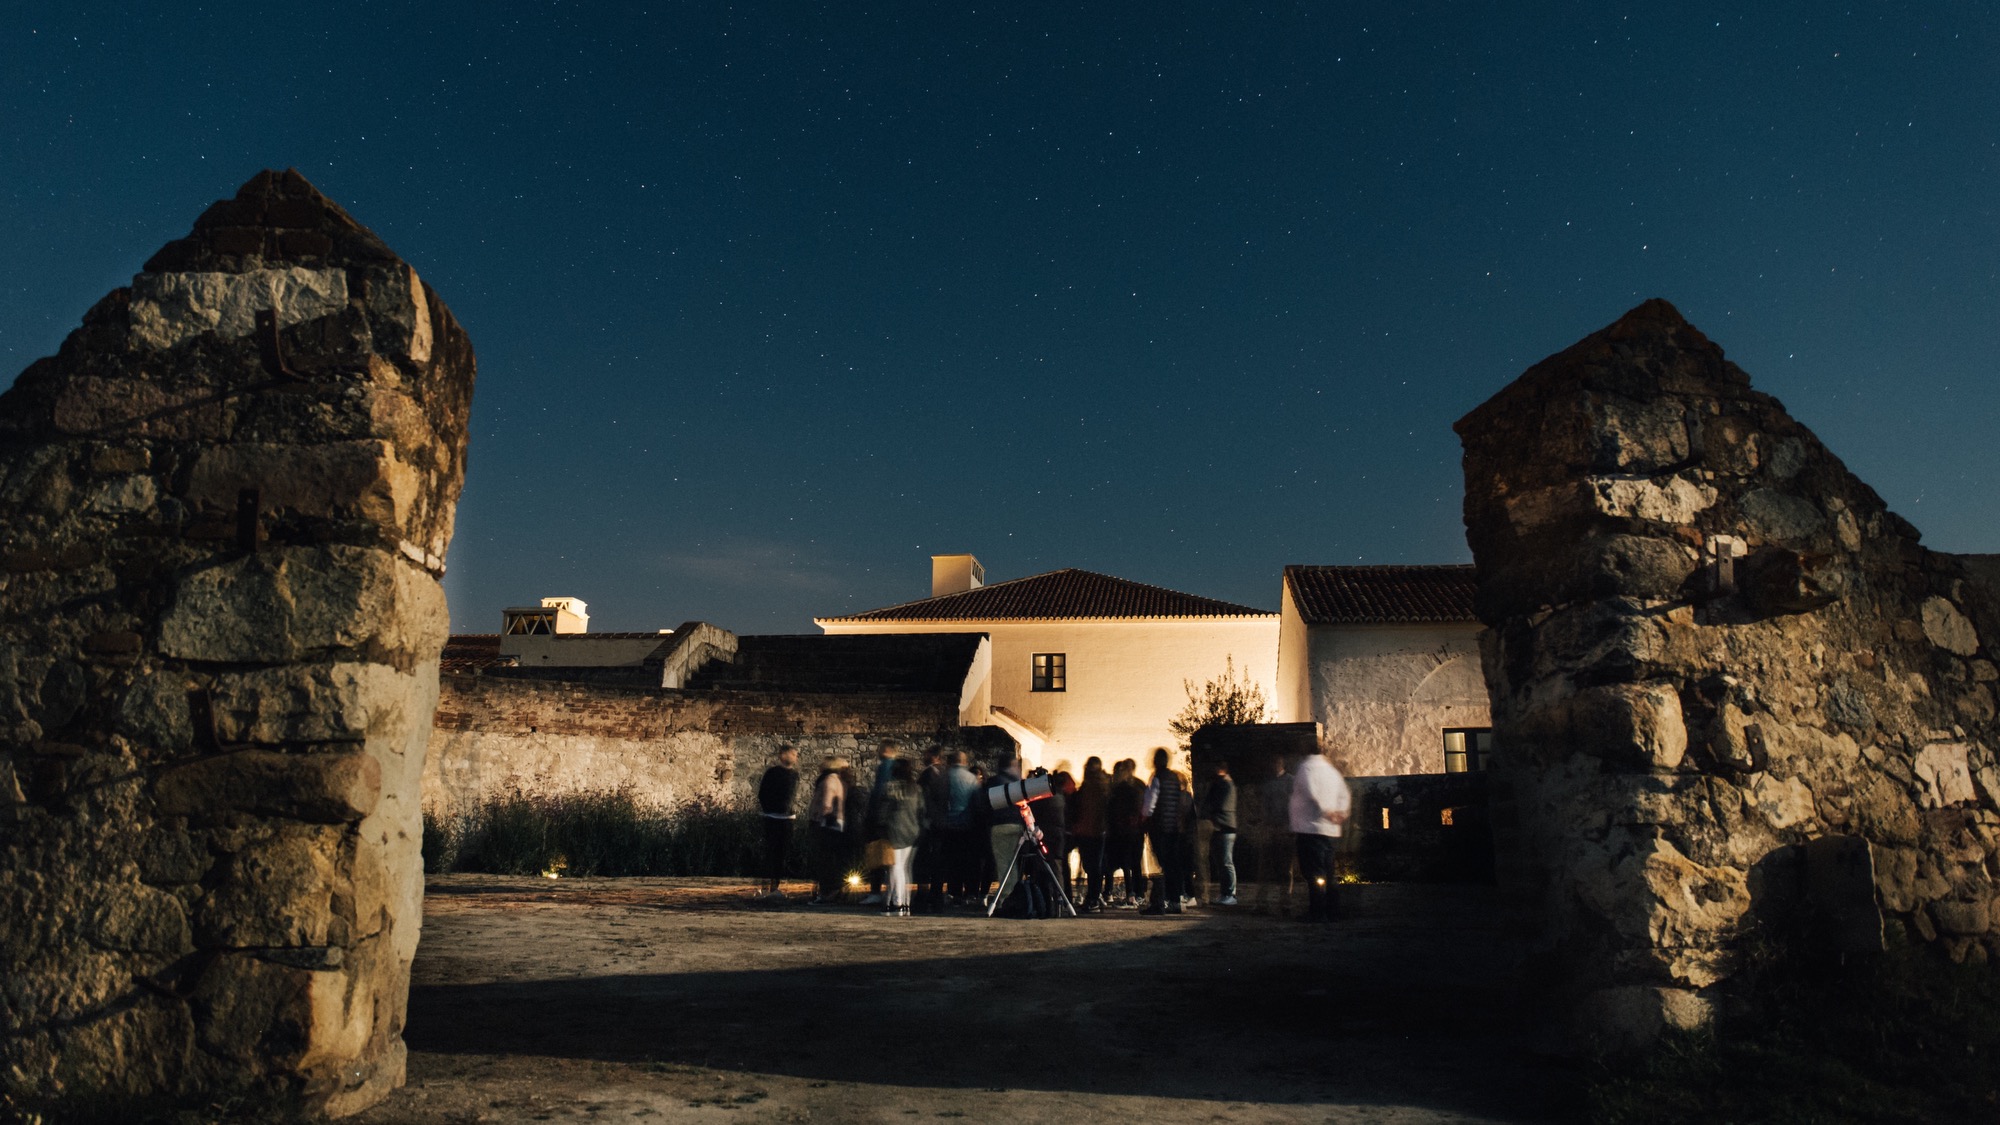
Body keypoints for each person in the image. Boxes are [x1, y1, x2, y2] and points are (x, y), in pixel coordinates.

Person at [1289, 744, 1352, 924]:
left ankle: (1317, 911)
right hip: (1330, 829)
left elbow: (1311, 791)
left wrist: (1327, 811)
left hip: (1310, 828)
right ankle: (1333, 910)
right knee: (1329, 871)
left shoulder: (1306, 768)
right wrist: (1341, 812)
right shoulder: (1332, 771)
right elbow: (1344, 794)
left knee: (1314, 872)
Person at [1140, 748, 1192, 915]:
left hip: (1160, 827)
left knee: (1163, 865)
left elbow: (1149, 805)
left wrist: (1145, 818)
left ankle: (1160, 902)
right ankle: (1175, 901)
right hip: (1174, 828)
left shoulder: (1158, 778)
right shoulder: (1174, 778)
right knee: (1173, 865)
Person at [1250, 756, 1296, 916]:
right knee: (1269, 868)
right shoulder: (1277, 782)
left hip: (1282, 828)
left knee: (1282, 869)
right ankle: (1267, 903)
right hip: (1275, 828)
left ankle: (1283, 903)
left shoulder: (1288, 781)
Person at [878, 757, 923, 916]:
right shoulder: (915, 788)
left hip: (893, 830)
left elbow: (882, 812)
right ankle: (903, 901)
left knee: (894, 867)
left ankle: (896, 902)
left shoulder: (889, 787)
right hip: (912, 830)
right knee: (904, 867)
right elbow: (921, 810)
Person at [985, 755, 1028, 914]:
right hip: (1017, 825)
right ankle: (1013, 894)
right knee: (1013, 864)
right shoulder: (1018, 784)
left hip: (1000, 826)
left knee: (1004, 864)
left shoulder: (994, 782)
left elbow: (986, 805)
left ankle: (1006, 897)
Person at [755, 745, 799, 899]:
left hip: (786, 819)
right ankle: (765, 888)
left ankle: (776, 887)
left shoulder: (794, 775)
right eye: (792, 754)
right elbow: (762, 794)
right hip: (772, 818)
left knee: (783, 854)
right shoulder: (772, 773)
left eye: (795, 754)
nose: (795, 757)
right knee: (770, 853)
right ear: (783, 755)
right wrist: (770, 810)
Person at [860, 742, 901, 905]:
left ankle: (876, 891)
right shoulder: (895, 768)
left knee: (877, 855)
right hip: (891, 819)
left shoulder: (885, 767)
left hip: (880, 818)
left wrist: (873, 815)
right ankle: (891, 891)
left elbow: (879, 793)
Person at [808, 755, 850, 904]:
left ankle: (828, 893)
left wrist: (817, 818)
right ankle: (836, 890)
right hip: (838, 822)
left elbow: (826, 804)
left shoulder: (828, 781)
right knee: (834, 859)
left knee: (825, 860)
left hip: (827, 823)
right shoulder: (840, 781)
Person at [1070, 757, 1110, 910]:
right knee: (1094, 867)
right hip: (1094, 831)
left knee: (1092, 866)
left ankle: (1093, 898)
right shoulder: (1101, 786)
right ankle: (1093, 897)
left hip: (1090, 831)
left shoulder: (1090, 787)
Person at [1106, 758, 1147, 906]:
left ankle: (1131, 894)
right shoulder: (1139, 785)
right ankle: (1137, 893)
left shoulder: (1120, 788)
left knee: (1127, 862)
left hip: (1124, 829)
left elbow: (1114, 810)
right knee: (1134, 862)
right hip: (1135, 829)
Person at [943, 750, 981, 905]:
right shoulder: (972, 779)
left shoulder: (945, 777)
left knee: (953, 862)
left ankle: (954, 892)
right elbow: (977, 802)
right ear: (965, 762)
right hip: (968, 824)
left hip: (949, 824)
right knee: (968, 861)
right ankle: (971, 892)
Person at [1202, 760, 1239, 906]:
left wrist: (1210, 814)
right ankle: (1225, 892)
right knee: (1222, 862)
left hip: (1225, 827)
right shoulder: (1224, 784)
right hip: (1222, 827)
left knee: (1226, 861)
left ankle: (1230, 893)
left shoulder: (1225, 785)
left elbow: (1221, 804)